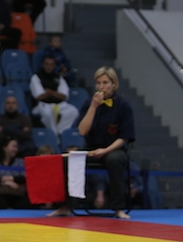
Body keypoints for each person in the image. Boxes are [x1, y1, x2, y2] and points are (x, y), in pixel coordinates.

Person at [49, 66, 134, 219]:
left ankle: (118, 208)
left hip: (113, 149)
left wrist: (105, 150)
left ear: (114, 84)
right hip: (90, 149)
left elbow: (124, 138)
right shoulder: (89, 103)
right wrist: (93, 107)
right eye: (98, 83)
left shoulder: (123, 106)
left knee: (115, 160)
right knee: (68, 160)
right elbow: (82, 131)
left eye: (105, 83)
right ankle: (66, 206)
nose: (101, 87)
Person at [30, 55, 79, 137]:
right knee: (47, 113)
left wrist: (49, 92)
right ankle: (53, 135)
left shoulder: (58, 77)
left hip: (59, 104)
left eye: (51, 64)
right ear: (43, 64)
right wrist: (56, 93)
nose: (49, 67)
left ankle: (60, 133)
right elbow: (39, 96)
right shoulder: (36, 77)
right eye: (47, 64)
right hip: (43, 104)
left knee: (73, 111)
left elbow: (64, 96)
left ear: (54, 65)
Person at [0, 138, 30, 209]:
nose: (16, 149)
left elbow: (25, 177)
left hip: (18, 194)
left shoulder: (20, 162)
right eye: (14, 146)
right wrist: (5, 182)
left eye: (17, 147)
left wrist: (12, 178)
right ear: (4, 147)